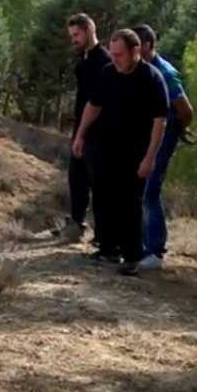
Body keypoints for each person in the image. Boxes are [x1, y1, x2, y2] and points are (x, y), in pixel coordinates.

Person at [72, 29, 168, 276]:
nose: (114, 59)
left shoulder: (152, 78)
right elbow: (93, 105)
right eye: (112, 54)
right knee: (103, 197)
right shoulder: (108, 73)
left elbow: (160, 121)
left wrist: (150, 157)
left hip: (135, 152)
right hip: (104, 147)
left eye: (120, 54)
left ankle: (132, 256)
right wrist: (81, 135)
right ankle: (107, 248)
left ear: (136, 51)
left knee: (129, 203)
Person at [132, 24, 194, 270]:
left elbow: (186, 110)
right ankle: (139, 245)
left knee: (150, 191)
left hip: (162, 138)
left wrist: (177, 130)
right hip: (144, 137)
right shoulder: (141, 70)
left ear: (147, 45)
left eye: (137, 45)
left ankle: (155, 251)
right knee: (139, 189)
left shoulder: (165, 72)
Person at [53, 12, 111, 242]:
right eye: (71, 35)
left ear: (88, 31)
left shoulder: (103, 60)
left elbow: (97, 102)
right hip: (81, 128)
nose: (73, 39)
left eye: (76, 34)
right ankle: (77, 224)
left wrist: (84, 133)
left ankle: (103, 234)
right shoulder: (84, 58)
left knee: (98, 184)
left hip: (96, 131)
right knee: (76, 178)